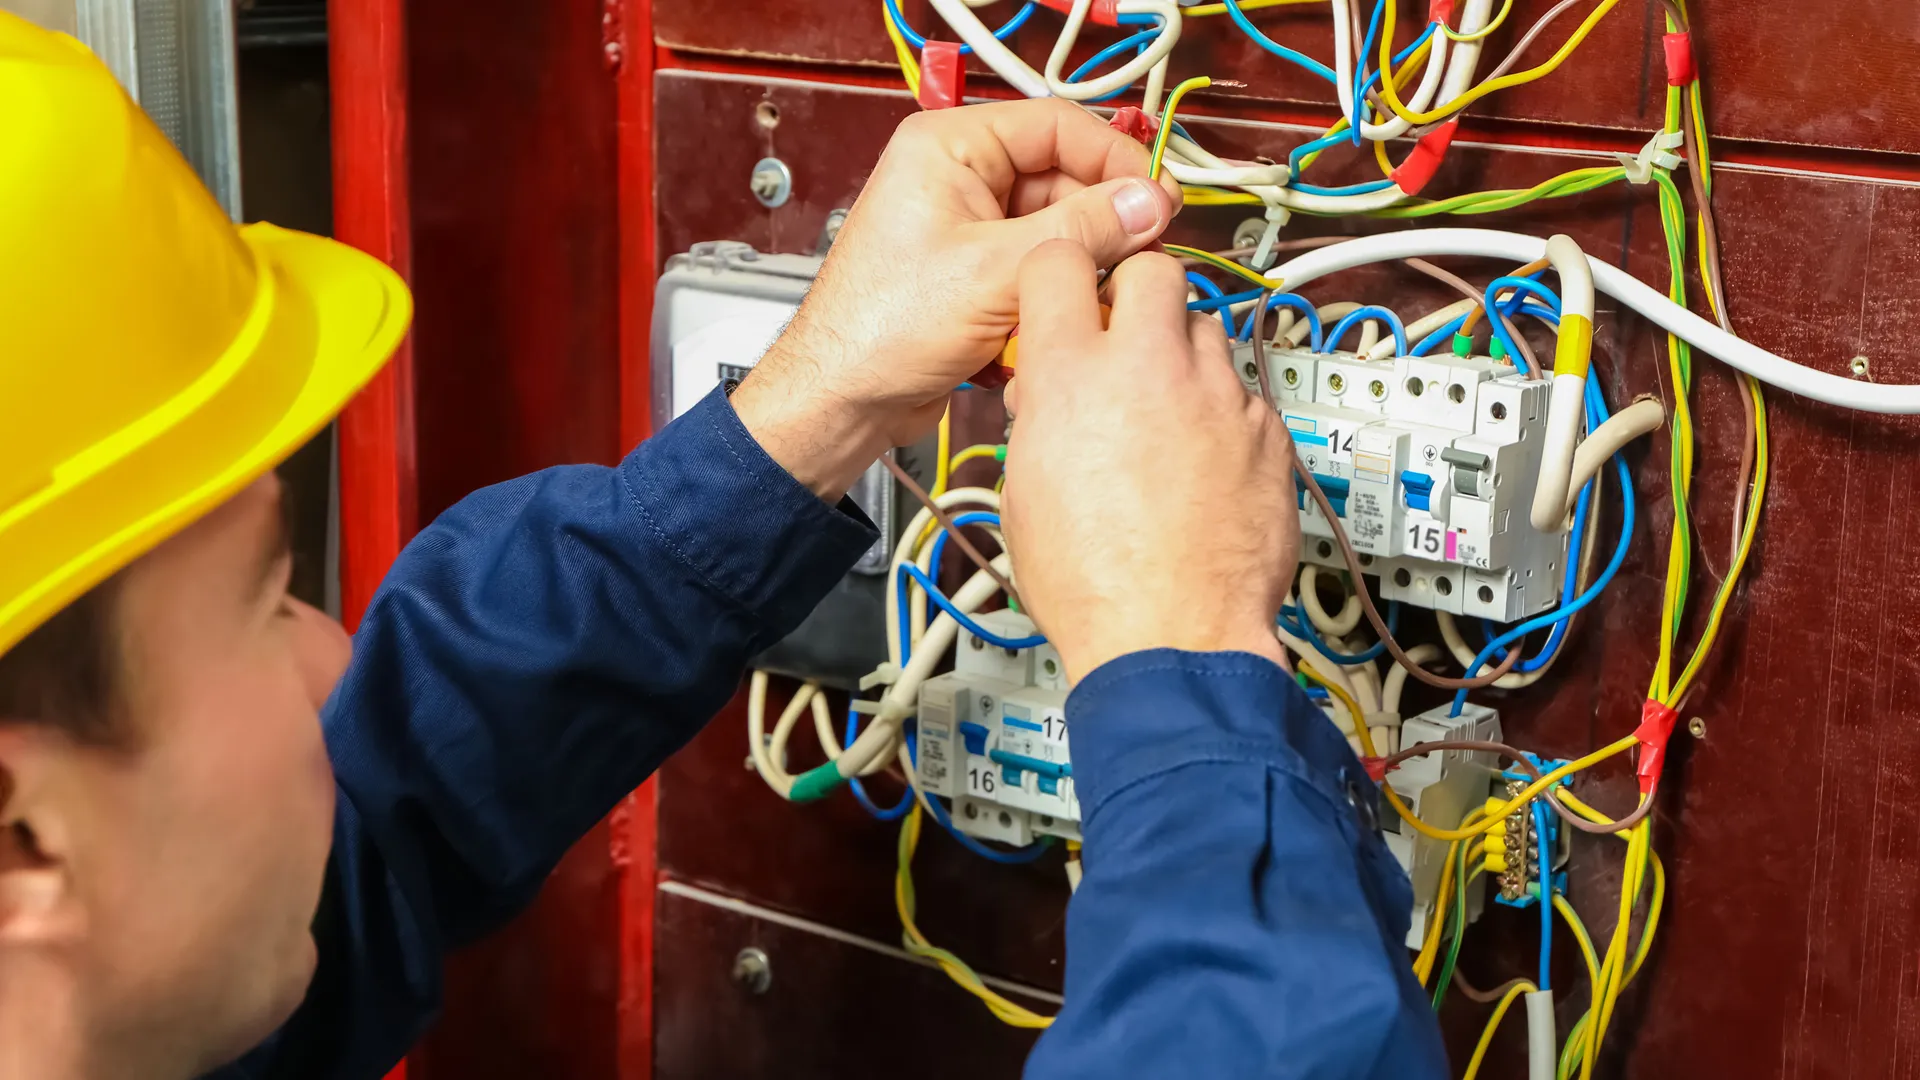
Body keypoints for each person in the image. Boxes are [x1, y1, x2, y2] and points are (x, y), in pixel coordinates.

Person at [0, 13, 1440, 1080]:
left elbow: (377, 806)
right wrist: (1180, 651)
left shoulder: (123, 978)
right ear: (22, 840)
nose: (331, 661)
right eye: (268, 602)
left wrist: (815, 405)